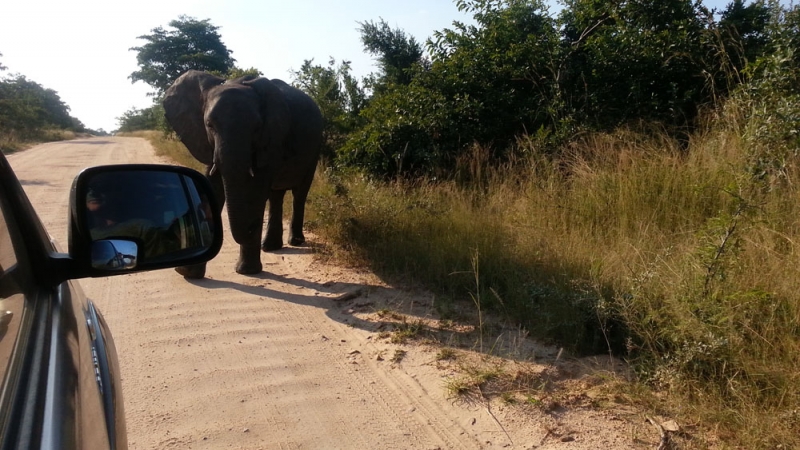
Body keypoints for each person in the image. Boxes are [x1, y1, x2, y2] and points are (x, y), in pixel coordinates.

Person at [86, 187, 180, 261]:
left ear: (118, 194)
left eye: (101, 188)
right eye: (88, 189)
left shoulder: (142, 227)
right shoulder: (83, 232)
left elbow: (157, 263)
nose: (93, 193)